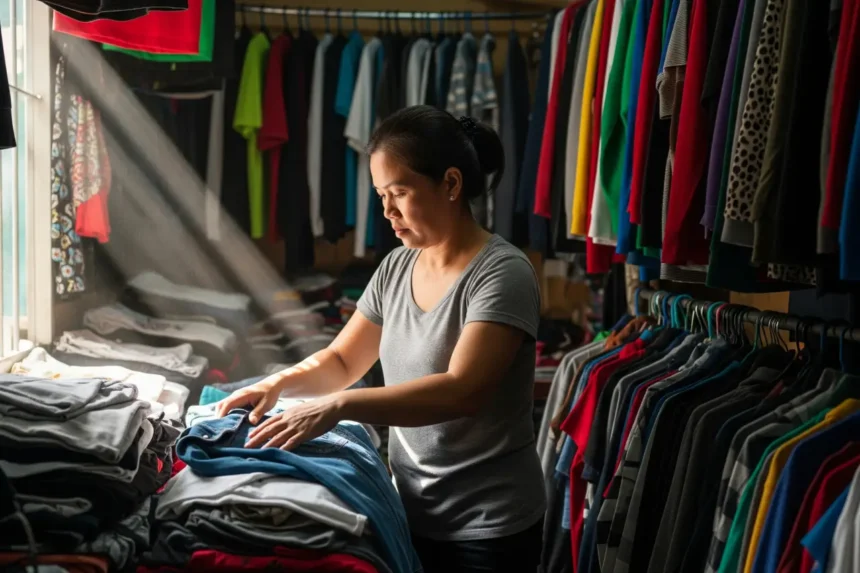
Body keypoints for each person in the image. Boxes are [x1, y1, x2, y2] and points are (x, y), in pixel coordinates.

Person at [216, 105, 546, 572]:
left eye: (400, 193)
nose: (387, 211)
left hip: (487, 527)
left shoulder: (502, 273)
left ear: (451, 185)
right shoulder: (397, 267)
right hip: (407, 509)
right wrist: (277, 384)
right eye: (380, 195)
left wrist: (340, 406)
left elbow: (462, 391)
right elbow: (341, 361)